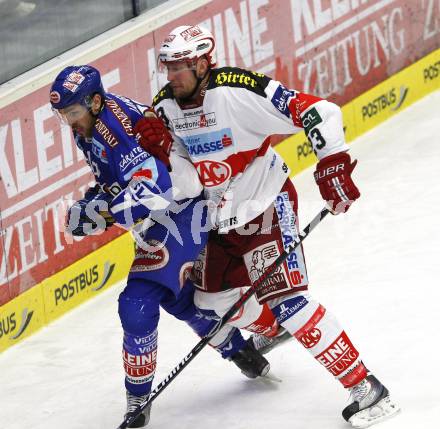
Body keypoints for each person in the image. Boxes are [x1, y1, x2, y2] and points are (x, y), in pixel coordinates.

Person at [135, 25, 400, 428]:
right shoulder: (166, 107)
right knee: (212, 304)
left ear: (205, 63)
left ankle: (365, 387)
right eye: (167, 67)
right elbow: (189, 184)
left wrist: (332, 162)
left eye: (182, 68)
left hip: (267, 206)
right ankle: (276, 328)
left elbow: (320, 111)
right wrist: (165, 150)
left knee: (289, 300)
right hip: (221, 223)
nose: (173, 77)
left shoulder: (238, 91)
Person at [49, 65, 276, 428]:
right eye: (63, 116)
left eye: (72, 113)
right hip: (168, 212)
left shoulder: (117, 127)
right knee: (176, 296)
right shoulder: (87, 126)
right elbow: (114, 185)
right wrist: (93, 203)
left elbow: (155, 188)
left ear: (94, 101)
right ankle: (244, 348)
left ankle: (137, 401)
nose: (69, 122)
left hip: (184, 207)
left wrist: (102, 214)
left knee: (137, 301)